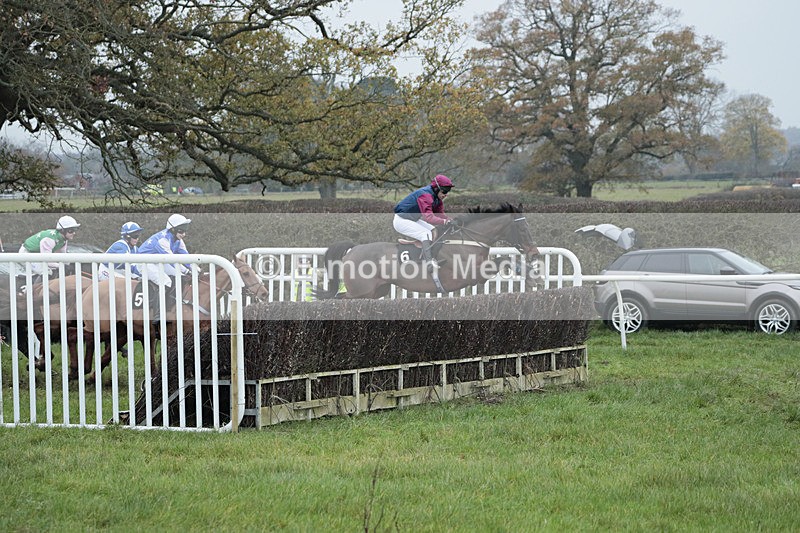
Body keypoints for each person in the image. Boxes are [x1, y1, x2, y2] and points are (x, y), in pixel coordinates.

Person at [393, 174, 453, 271]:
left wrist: (451, 220)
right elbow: (429, 218)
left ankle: (426, 253)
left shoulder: (437, 198)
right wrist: (445, 222)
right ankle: (429, 263)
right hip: (401, 221)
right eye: (444, 191)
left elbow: (439, 215)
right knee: (426, 233)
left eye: (448, 192)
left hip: (411, 219)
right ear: (437, 189)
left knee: (433, 230)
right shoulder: (426, 195)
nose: (446, 194)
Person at [136, 214, 192, 318]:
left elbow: (186, 257)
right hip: (144, 263)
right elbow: (172, 261)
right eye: (180, 231)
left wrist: (195, 269)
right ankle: (157, 314)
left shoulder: (178, 240)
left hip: (158, 261)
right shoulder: (163, 240)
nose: (183, 234)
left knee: (180, 277)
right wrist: (187, 270)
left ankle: (171, 306)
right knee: (166, 281)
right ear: (172, 229)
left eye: (185, 231)